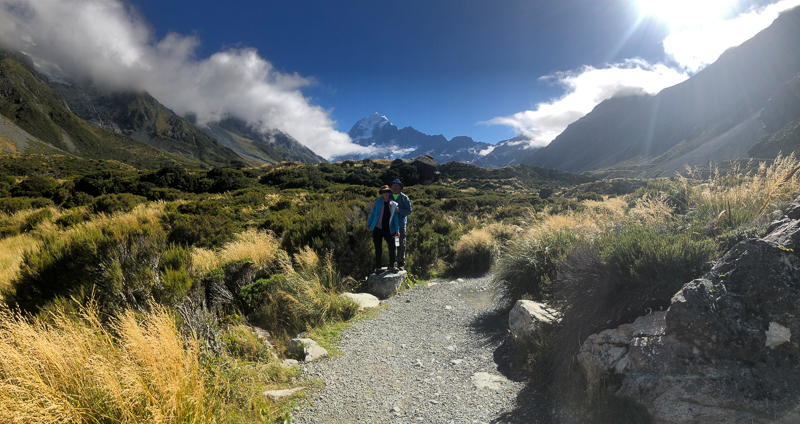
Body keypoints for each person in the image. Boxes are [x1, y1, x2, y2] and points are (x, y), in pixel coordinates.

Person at [366, 185, 400, 273]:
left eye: (387, 192)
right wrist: (368, 225)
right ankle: (378, 267)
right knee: (378, 248)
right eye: (384, 192)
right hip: (378, 228)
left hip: (389, 229)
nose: (386, 193)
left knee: (392, 247)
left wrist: (397, 230)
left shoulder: (393, 205)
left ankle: (392, 265)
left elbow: (396, 219)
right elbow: (372, 215)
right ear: (382, 194)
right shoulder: (377, 203)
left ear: (389, 193)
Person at [389, 179, 412, 270]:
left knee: (401, 244)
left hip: (401, 225)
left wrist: (400, 211)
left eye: (397, 186)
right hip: (390, 225)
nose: (395, 187)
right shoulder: (388, 196)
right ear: (391, 187)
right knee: (392, 244)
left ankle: (400, 263)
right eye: (394, 185)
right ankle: (392, 263)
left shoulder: (404, 198)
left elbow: (409, 211)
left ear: (400, 188)